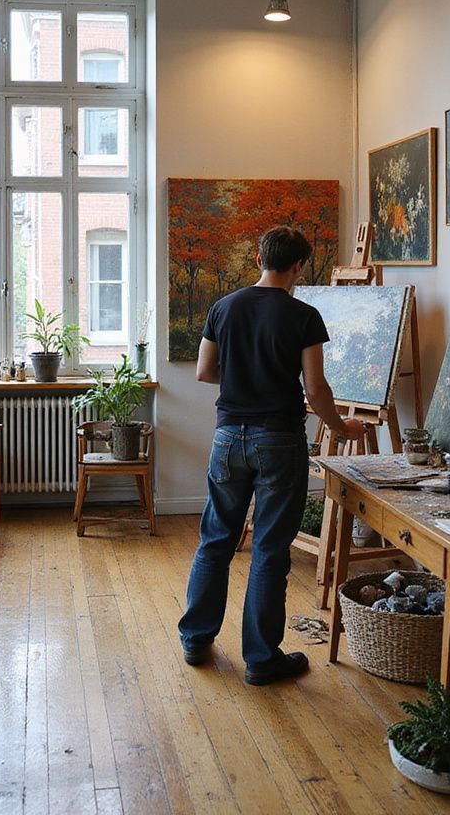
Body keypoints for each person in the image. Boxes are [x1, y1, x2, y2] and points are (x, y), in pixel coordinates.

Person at [178, 225, 365, 685]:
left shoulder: (224, 306)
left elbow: (205, 371)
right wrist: (341, 427)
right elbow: (316, 388)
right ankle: (261, 659)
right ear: (298, 265)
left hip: (227, 439)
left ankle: (197, 639)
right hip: (279, 440)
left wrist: (245, 378)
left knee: (216, 538)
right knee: (268, 549)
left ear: (260, 256)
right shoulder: (303, 315)